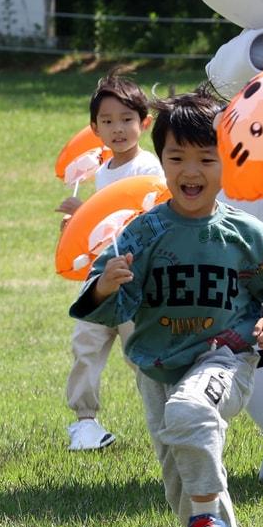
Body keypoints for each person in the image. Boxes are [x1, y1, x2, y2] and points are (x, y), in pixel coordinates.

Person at [70, 90, 263, 527]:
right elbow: (96, 301)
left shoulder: (246, 233)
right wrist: (108, 284)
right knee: (182, 487)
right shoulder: (145, 231)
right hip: (157, 365)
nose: (192, 169)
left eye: (207, 158)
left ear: (229, 162)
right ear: (162, 161)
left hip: (225, 356)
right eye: (178, 157)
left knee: (191, 412)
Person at [57, 69, 164, 450]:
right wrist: (77, 224)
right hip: (101, 275)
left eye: (126, 119)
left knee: (140, 355)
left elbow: (143, 216)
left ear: (144, 123)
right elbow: (100, 228)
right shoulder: (102, 171)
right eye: (107, 121)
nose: (117, 129)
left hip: (134, 277)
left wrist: (90, 212)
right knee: (86, 343)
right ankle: (85, 422)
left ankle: (168, 418)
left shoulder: (149, 168)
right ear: (95, 128)